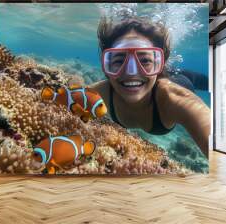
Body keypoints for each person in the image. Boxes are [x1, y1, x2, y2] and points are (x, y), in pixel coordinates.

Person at [90, 17, 210, 157]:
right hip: (153, 78)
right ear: (106, 65)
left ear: (160, 65)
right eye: (118, 60)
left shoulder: (173, 98)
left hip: (181, 80)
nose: (131, 72)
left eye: (145, 60)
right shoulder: (99, 93)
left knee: (202, 80)